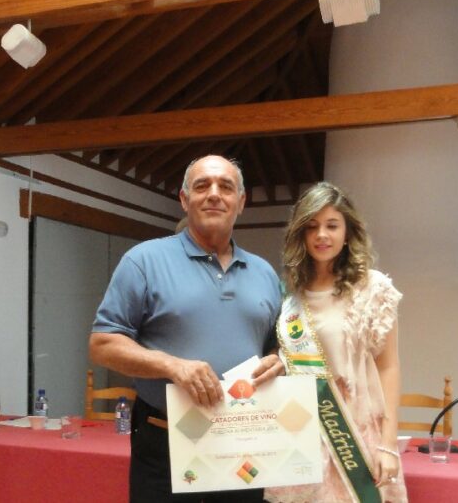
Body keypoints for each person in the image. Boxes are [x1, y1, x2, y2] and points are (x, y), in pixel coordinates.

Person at [89, 155, 283, 503]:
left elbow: (275, 345)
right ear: (184, 199)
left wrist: (278, 359)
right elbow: (102, 344)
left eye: (226, 187)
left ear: (241, 202)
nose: (214, 194)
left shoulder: (265, 273)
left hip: (242, 443)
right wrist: (172, 365)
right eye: (202, 185)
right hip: (165, 441)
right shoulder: (143, 260)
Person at [267, 181, 407, 503]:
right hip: (301, 436)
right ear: (301, 234)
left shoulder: (372, 288)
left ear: (347, 232)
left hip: (355, 434)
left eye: (332, 225)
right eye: (312, 226)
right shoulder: (290, 295)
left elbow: (388, 367)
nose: (321, 235)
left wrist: (388, 444)